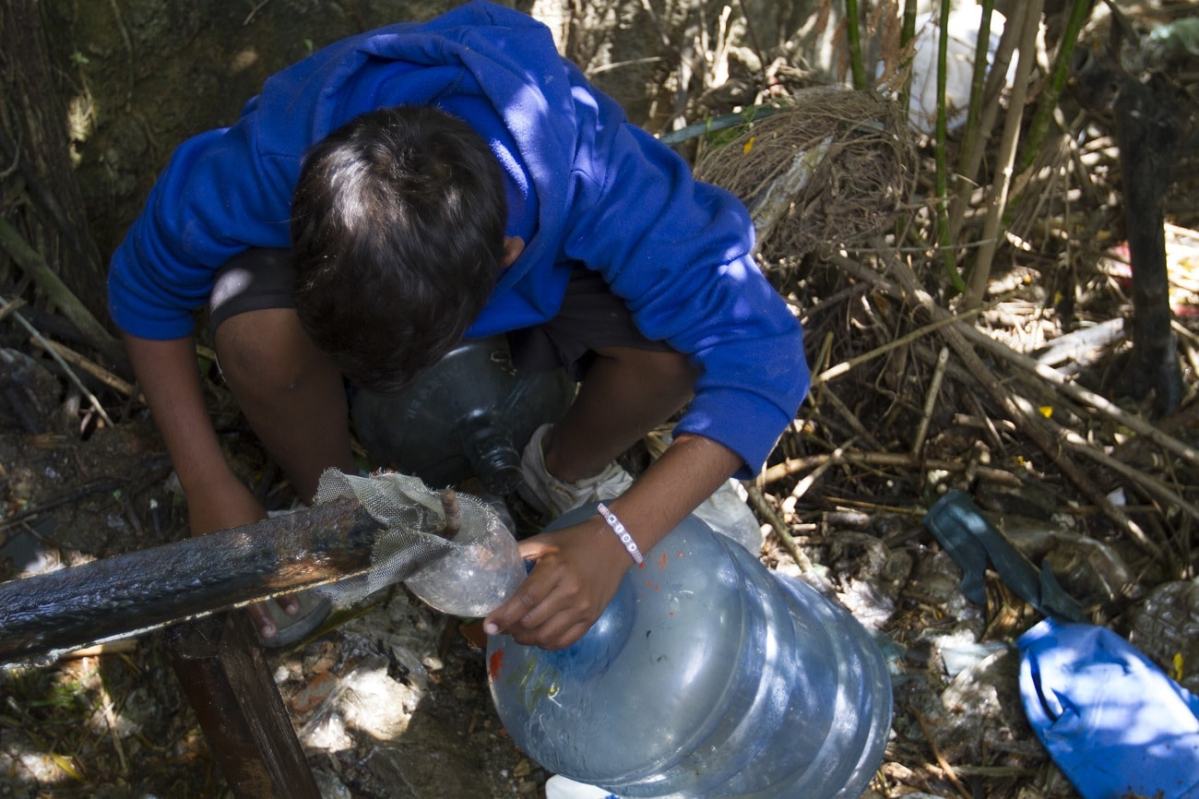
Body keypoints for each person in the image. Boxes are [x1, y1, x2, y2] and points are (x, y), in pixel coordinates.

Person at [108, 1, 809, 650]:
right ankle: (337, 508)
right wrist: (205, 481)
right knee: (256, 337)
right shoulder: (276, 157)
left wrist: (617, 537)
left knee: (672, 353)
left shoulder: (597, 174)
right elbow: (144, 287)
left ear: (504, 257)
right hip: (384, 263)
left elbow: (766, 354)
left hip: (538, 270)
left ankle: (561, 470)